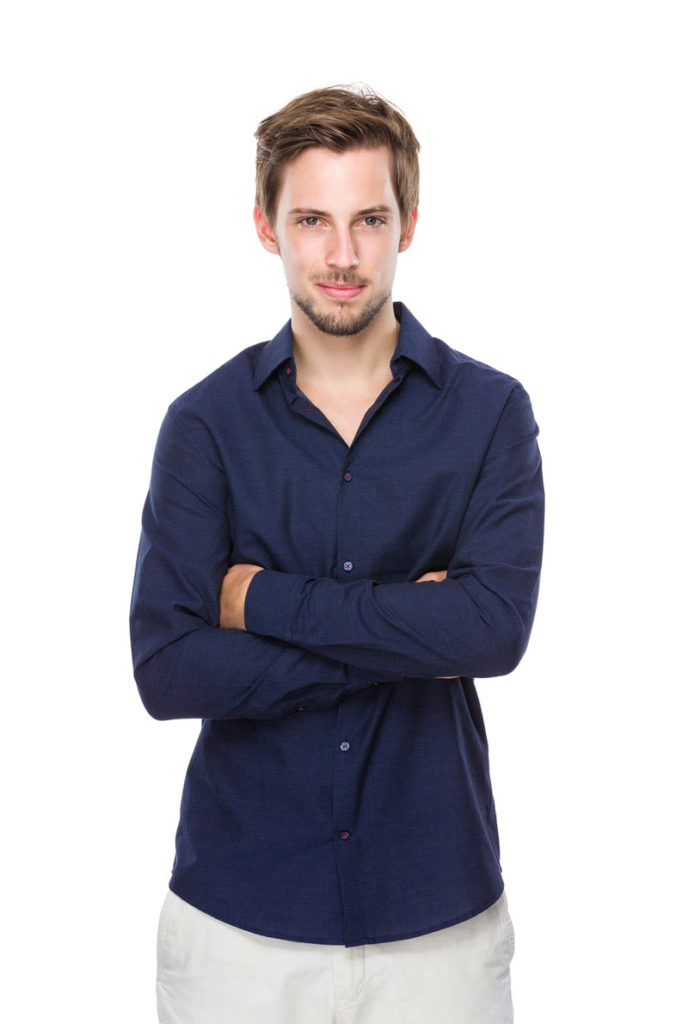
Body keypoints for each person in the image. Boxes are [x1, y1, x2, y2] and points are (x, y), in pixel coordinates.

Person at [130, 84, 545, 1024]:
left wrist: (260, 601)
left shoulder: (490, 413)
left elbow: (490, 631)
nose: (343, 255)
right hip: (238, 928)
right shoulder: (205, 425)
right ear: (267, 227)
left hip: (438, 928)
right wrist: (412, 635)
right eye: (312, 220)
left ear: (409, 224)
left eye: (370, 220)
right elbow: (167, 669)